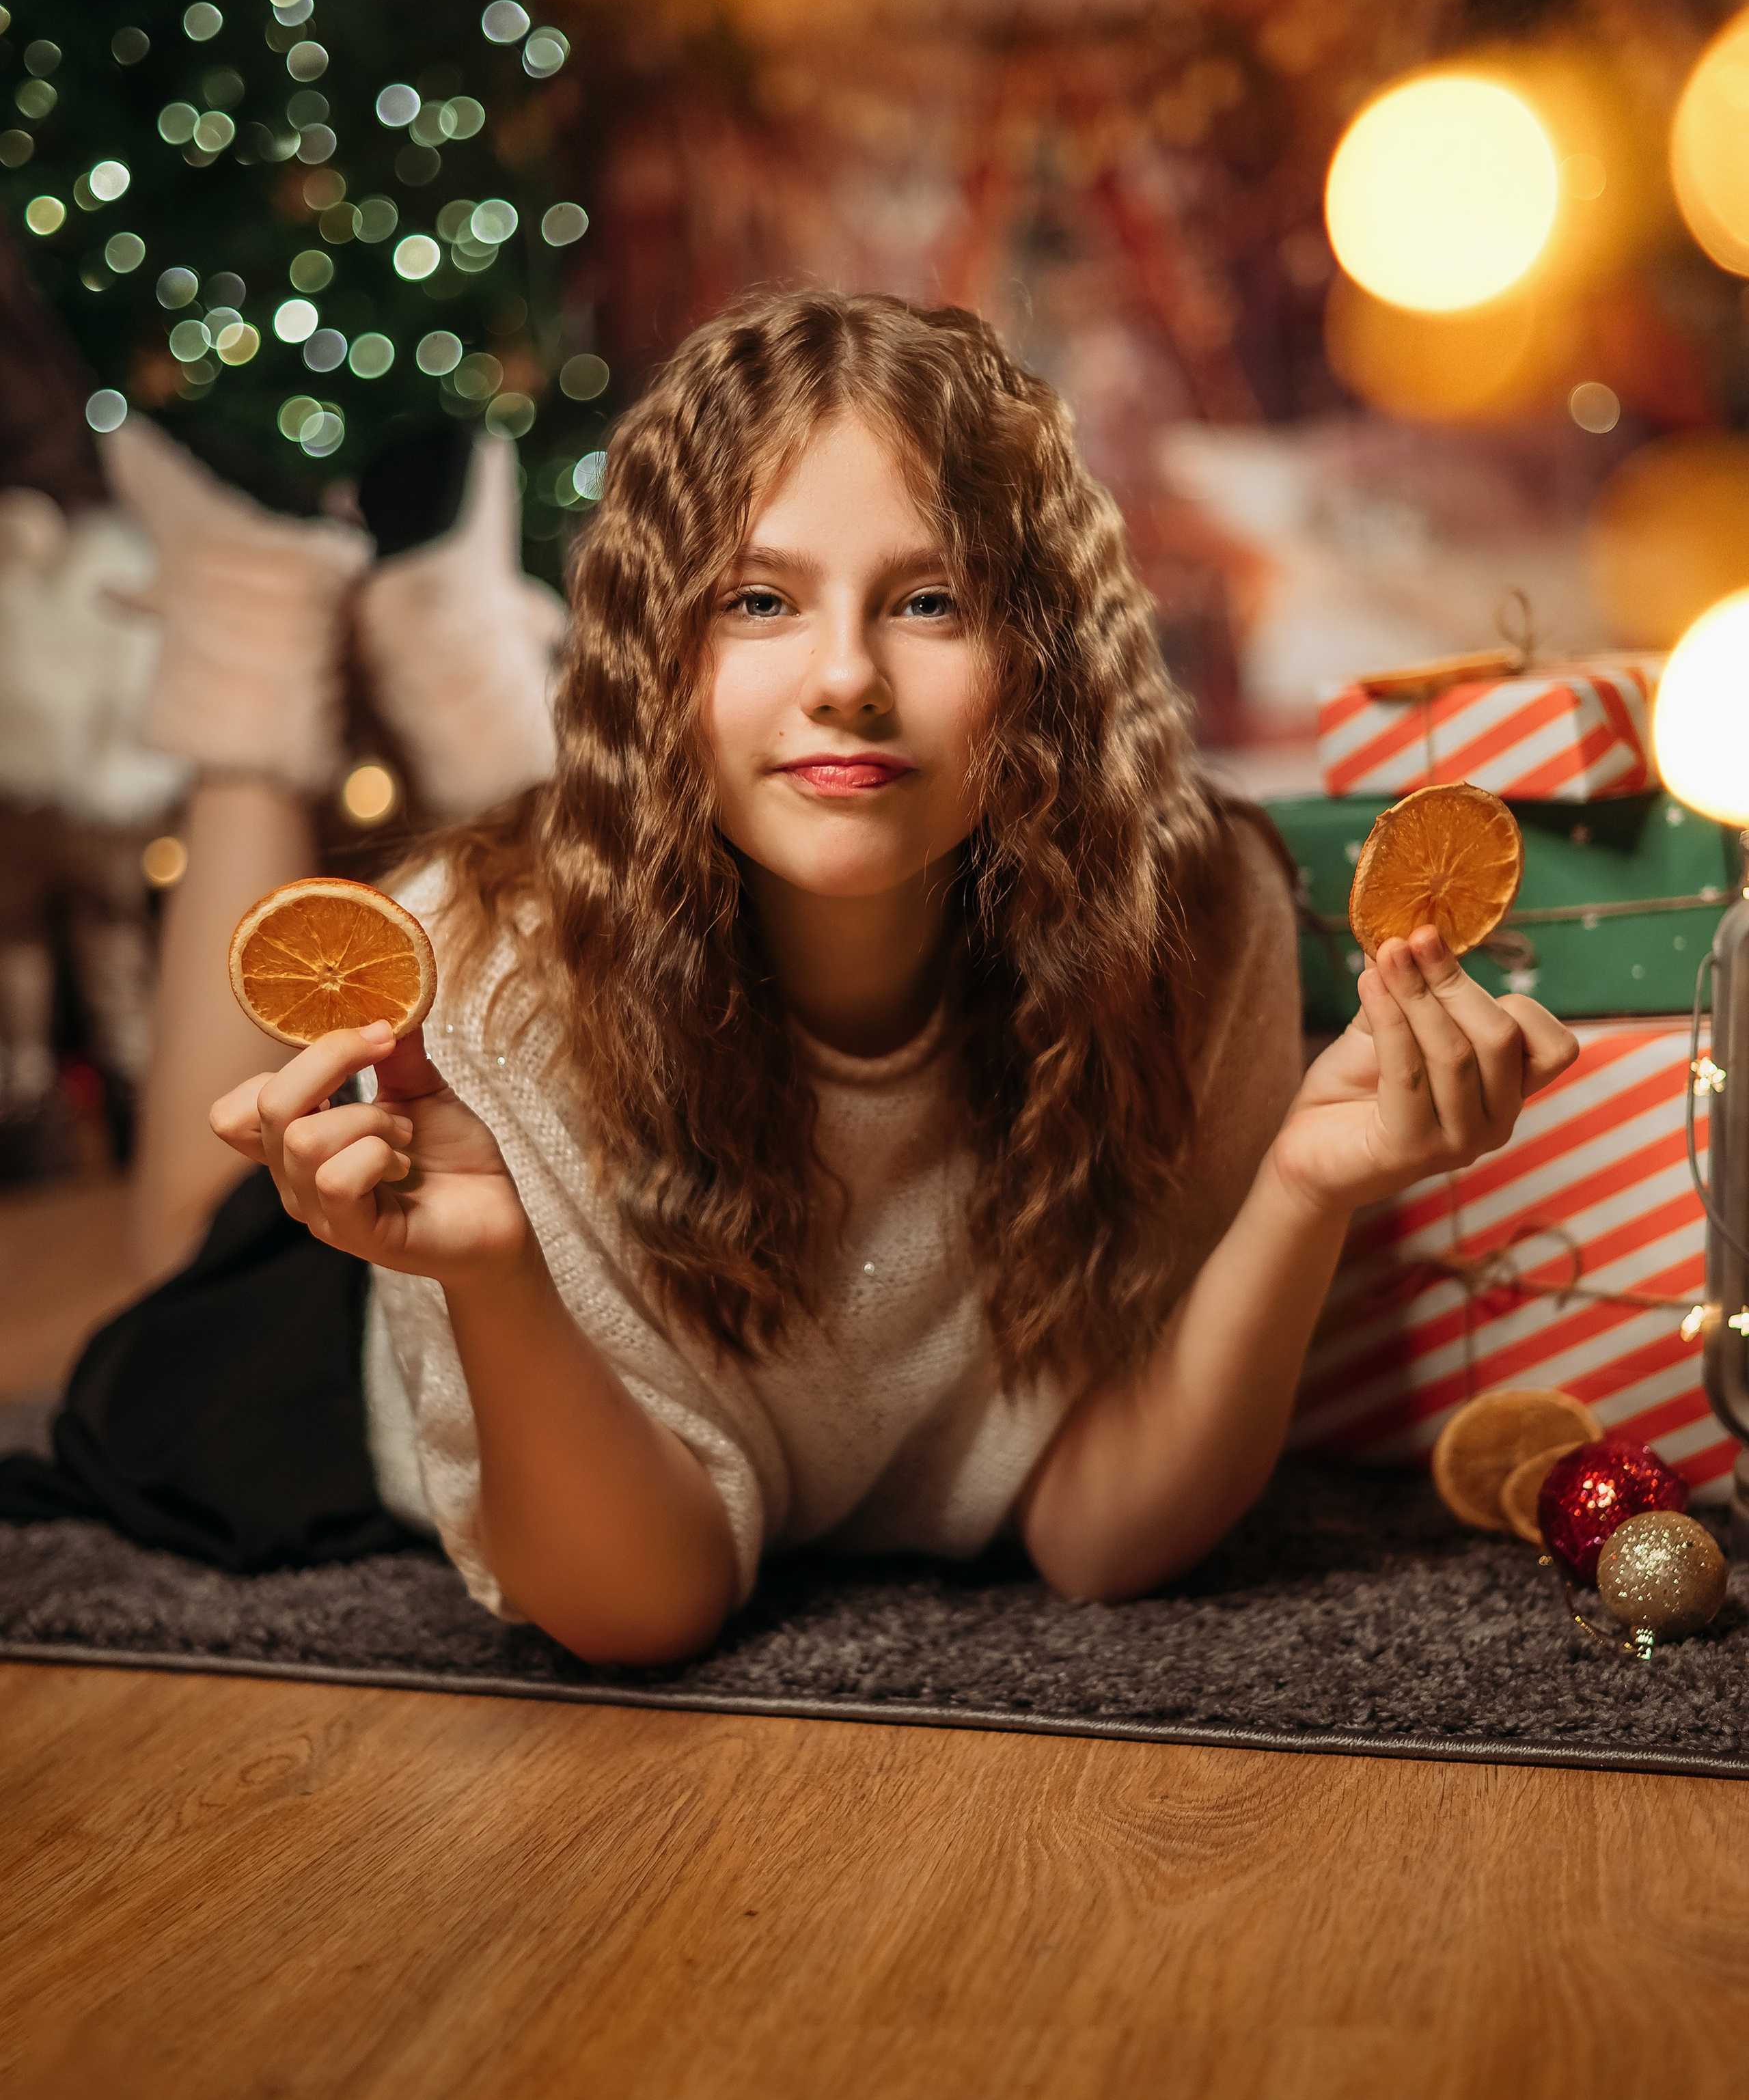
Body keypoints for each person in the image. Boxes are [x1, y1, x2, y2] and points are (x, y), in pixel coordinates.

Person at [3, 291, 1576, 1661]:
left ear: (1044, 649)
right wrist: (487, 1271)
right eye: (754, 600)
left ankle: (450, 637)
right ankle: (258, 633)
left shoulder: (1196, 918)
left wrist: (1303, 1186)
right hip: (413, 1350)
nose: (843, 677)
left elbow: (1098, 1533)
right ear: (653, 659)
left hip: (626, 917)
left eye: (930, 600)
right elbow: (646, 1601)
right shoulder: (485, 985)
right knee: (173, 1254)